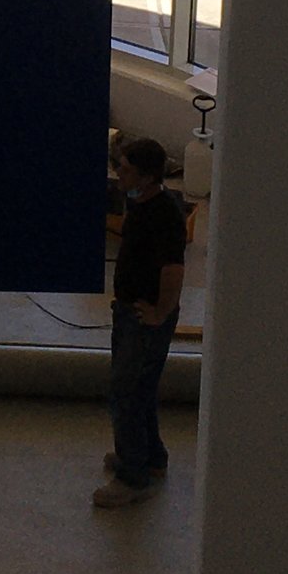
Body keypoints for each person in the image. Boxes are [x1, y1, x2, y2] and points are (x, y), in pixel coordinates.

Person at [97, 135, 186, 509]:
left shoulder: (165, 214)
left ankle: (133, 476)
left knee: (126, 391)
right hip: (130, 310)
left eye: (126, 169)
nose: (119, 174)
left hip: (142, 317)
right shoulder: (138, 203)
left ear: (148, 176)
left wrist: (159, 313)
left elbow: (174, 269)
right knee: (142, 388)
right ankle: (151, 459)